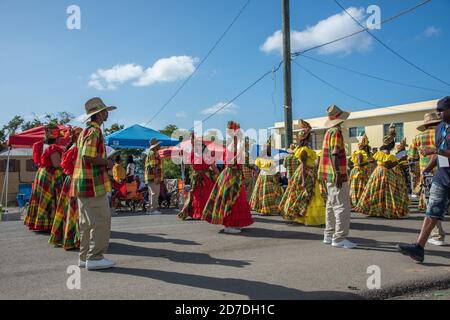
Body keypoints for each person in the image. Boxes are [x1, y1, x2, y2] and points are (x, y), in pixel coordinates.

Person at [398, 97, 450, 262]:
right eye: (438, 110)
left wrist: (434, 150)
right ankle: (419, 247)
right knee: (432, 211)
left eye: (442, 110)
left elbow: (439, 150)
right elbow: (439, 152)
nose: (439, 113)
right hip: (442, 176)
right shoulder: (440, 128)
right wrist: (426, 170)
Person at [70, 97, 116, 270]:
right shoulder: (95, 132)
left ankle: (84, 257)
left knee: (86, 223)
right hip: (93, 183)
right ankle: (95, 258)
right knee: (101, 220)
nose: (107, 114)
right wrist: (107, 163)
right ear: (99, 114)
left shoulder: (84, 131)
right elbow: (88, 156)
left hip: (82, 182)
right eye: (105, 111)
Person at [202, 121, 253, 234]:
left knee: (236, 199)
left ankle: (233, 223)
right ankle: (229, 225)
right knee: (231, 199)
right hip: (231, 175)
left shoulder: (235, 146)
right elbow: (230, 163)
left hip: (235, 175)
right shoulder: (232, 147)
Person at [318, 105, 356, 249]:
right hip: (336, 174)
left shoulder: (328, 132)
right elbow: (334, 154)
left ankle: (328, 235)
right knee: (342, 206)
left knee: (331, 205)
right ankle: (339, 238)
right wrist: (339, 174)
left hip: (328, 174)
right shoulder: (336, 132)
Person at [356, 125, 409, 219]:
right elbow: (388, 165)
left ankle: (376, 209)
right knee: (387, 191)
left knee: (377, 190)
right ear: (390, 145)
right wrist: (399, 160)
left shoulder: (380, 151)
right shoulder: (387, 153)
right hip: (385, 172)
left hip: (377, 171)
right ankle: (384, 210)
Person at [279, 120, 325, 226]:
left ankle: (306, 216)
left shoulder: (307, 149)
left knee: (310, 194)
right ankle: (302, 215)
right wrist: (304, 181)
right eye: (309, 136)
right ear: (306, 138)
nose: (310, 138)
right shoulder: (303, 150)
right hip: (306, 173)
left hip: (311, 173)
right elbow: (304, 165)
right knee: (306, 194)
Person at [24, 124, 64, 232]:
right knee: (52, 198)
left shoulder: (38, 145)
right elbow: (56, 164)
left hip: (41, 173)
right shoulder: (53, 147)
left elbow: (37, 161)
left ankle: (40, 223)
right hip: (52, 174)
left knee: (42, 198)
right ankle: (50, 224)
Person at [49, 126, 82, 249]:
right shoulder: (76, 149)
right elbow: (76, 167)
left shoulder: (74, 148)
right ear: (76, 137)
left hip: (71, 180)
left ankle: (72, 237)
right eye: (80, 135)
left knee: (71, 210)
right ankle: (75, 238)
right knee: (75, 210)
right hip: (75, 180)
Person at [408, 112, 442, 211]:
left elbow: (412, 157)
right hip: (442, 169)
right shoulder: (443, 134)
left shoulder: (417, 137)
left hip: (426, 171)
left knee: (428, 195)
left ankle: (431, 212)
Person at [178, 136, 218, 220]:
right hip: (204, 177)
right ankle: (206, 213)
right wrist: (219, 174)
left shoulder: (193, 153)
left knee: (198, 194)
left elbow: (188, 165)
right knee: (204, 194)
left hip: (198, 177)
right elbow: (213, 166)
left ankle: (200, 213)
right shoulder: (204, 152)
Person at [250, 143, 284, 215]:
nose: (270, 149)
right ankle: (266, 209)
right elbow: (261, 167)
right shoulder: (262, 158)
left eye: (270, 148)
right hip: (265, 176)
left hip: (268, 176)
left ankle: (269, 209)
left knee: (269, 193)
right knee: (266, 193)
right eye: (269, 148)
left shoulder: (269, 157)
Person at [349, 134, 371, 209]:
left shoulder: (360, 153)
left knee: (358, 188)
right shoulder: (360, 153)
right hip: (358, 171)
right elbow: (359, 163)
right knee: (359, 187)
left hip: (358, 170)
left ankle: (357, 203)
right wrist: (368, 162)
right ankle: (358, 203)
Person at [145, 138, 163, 214]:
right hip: (153, 177)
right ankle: (153, 209)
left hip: (150, 177)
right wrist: (156, 177)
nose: (160, 146)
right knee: (154, 193)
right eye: (158, 144)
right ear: (155, 146)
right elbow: (154, 166)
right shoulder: (153, 153)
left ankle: (151, 209)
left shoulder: (152, 153)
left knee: (152, 193)